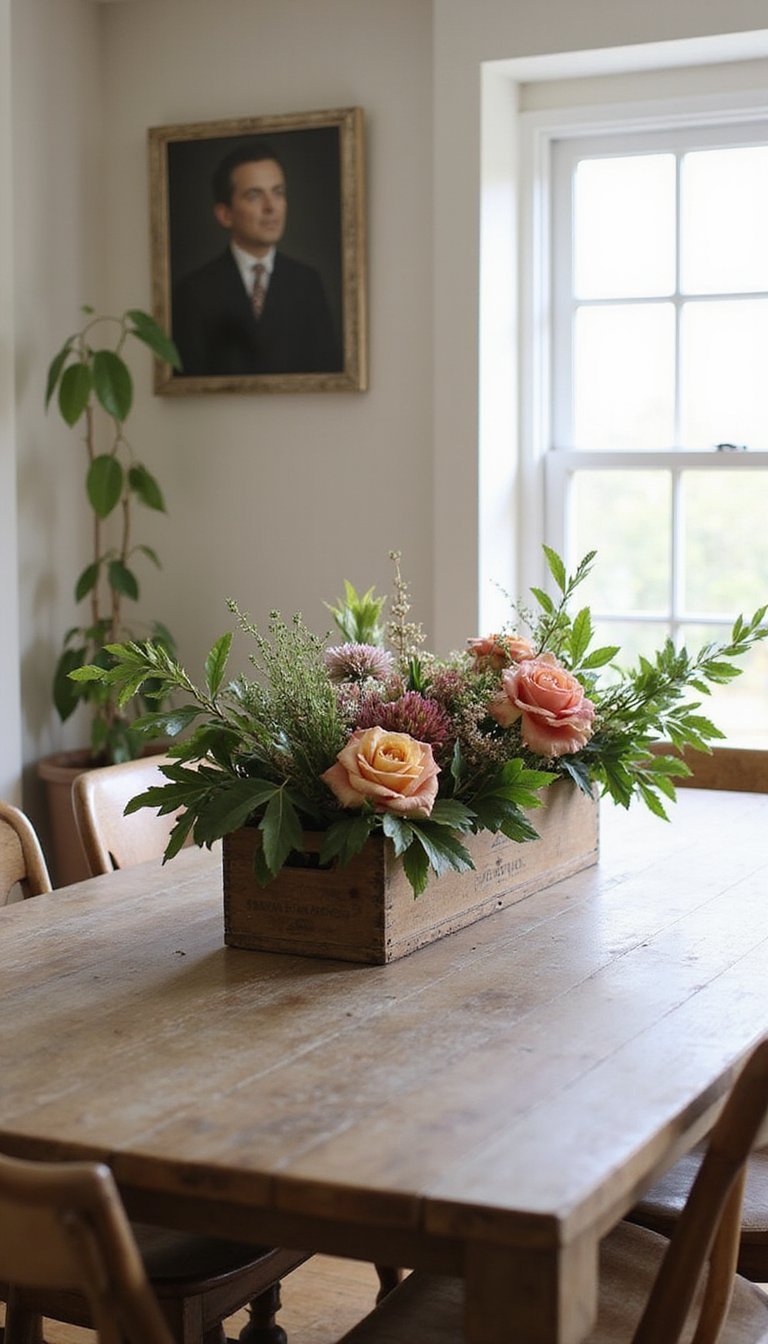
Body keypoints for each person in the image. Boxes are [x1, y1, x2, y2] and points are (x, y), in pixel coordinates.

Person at [172, 140, 342, 377]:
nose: (271, 207)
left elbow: (329, 374)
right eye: (254, 195)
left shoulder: (307, 283)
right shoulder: (194, 291)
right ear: (225, 214)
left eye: (278, 193)